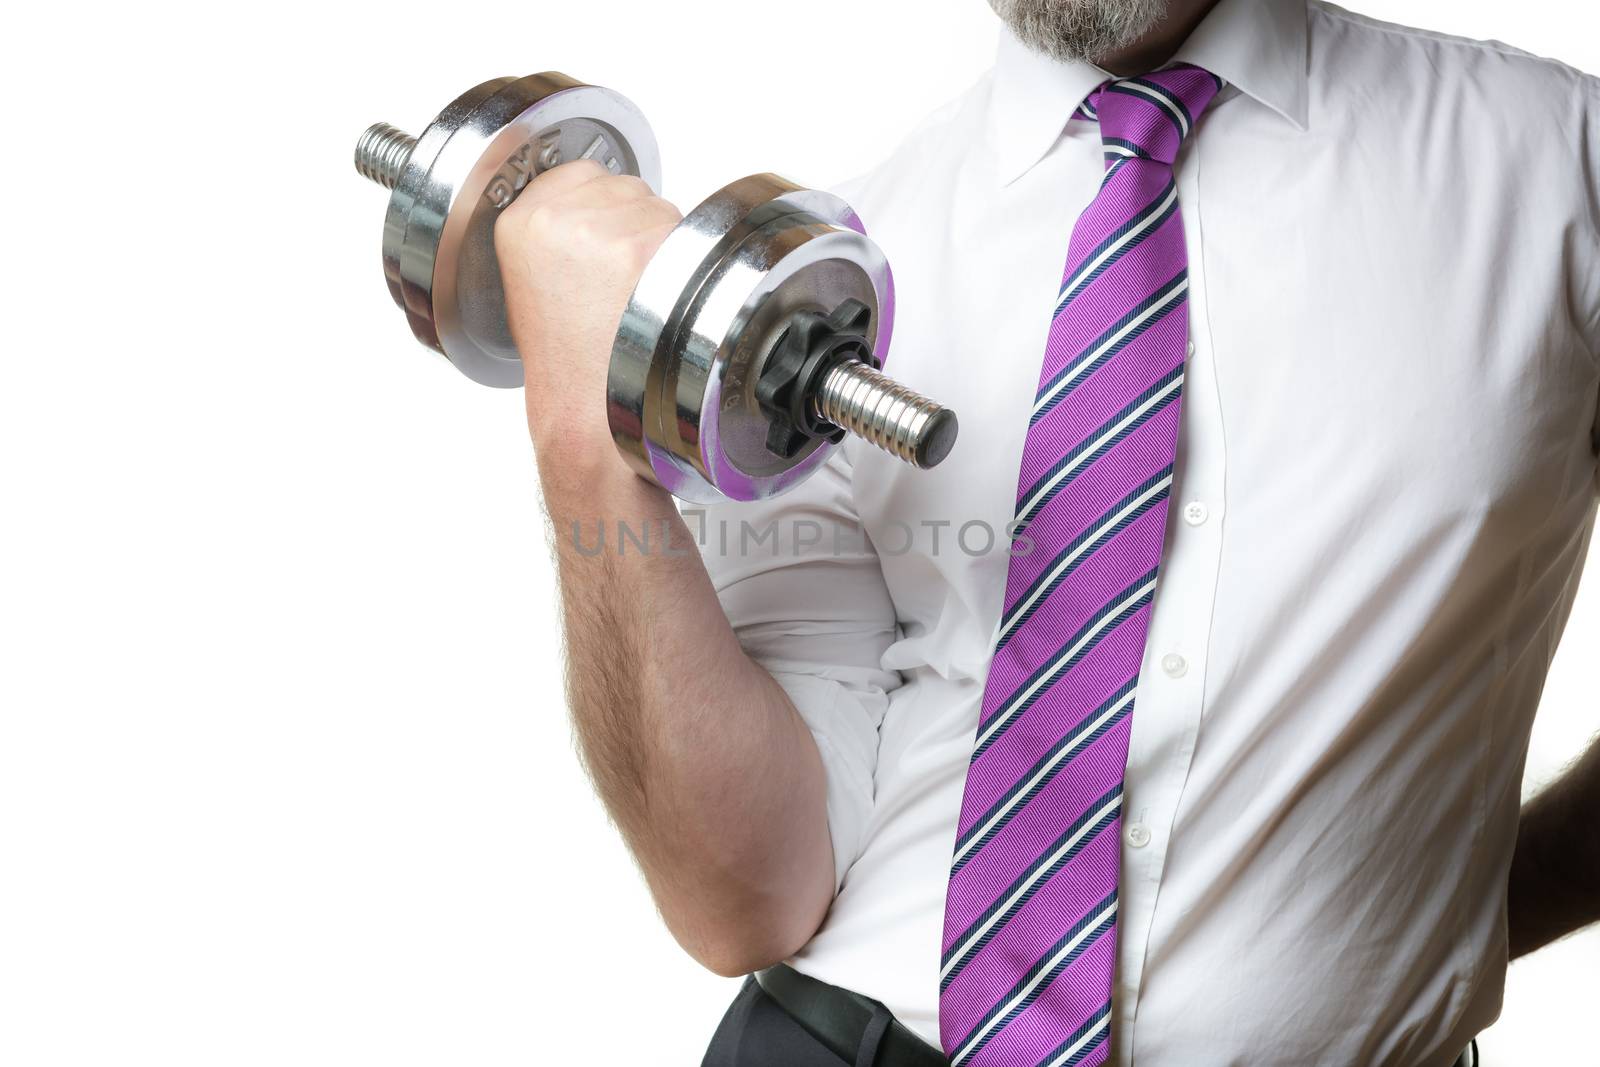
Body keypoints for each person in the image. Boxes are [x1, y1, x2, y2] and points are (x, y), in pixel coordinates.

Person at [491, 0, 1600, 1063]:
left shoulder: (1561, 166)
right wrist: (588, 447)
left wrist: (1453, 924)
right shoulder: (829, 281)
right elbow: (748, 901)